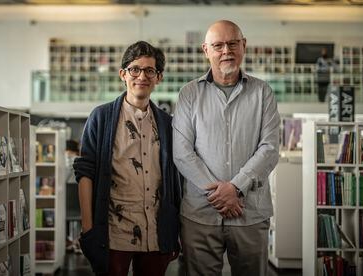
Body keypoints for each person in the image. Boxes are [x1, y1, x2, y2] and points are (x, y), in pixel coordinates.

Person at [172, 20, 280, 276]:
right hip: (200, 216)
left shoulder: (263, 93)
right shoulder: (189, 94)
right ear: (205, 50)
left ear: (243, 46)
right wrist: (220, 195)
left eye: (232, 44)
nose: (226, 51)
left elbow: (270, 149)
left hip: (250, 213)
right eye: (218, 45)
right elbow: (182, 153)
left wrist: (236, 188)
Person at [73, 41, 181, 276]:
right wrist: (88, 228)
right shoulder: (101, 117)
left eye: (149, 70)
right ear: (123, 74)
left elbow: (175, 178)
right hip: (112, 232)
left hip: (155, 232)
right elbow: (85, 172)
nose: (142, 76)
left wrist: (173, 230)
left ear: (158, 77)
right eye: (135, 69)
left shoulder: (167, 124)